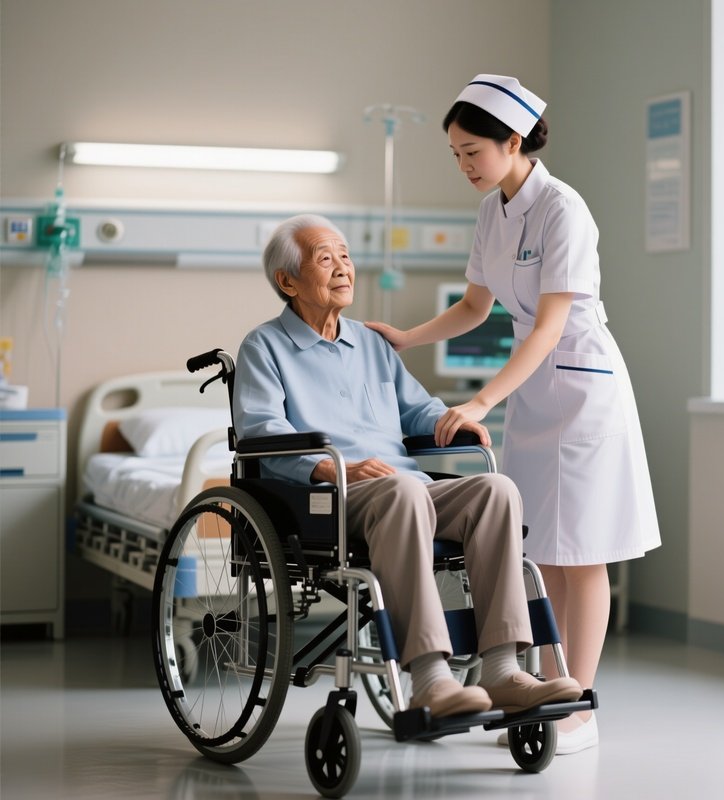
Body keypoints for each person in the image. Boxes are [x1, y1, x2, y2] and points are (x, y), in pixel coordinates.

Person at [366, 74, 661, 753]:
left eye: (473, 151)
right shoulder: (493, 210)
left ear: (514, 140)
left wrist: (479, 400)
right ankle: (551, 694)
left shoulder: (563, 209)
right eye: (456, 154)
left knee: (583, 556)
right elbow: (476, 307)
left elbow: (548, 329)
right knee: (545, 555)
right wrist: (409, 337)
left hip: (583, 393)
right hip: (535, 397)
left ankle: (579, 709)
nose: (465, 165)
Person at [233, 213, 583, 720]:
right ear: (287, 281)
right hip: (329, 500)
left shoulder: (371, 344)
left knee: (496, 490)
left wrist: (451, 419)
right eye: (325, 258)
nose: (343, 268)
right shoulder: (264, 347)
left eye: (346, 256)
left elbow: (415, 408)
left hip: (404, 488)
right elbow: (260, 432)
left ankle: (503, 670)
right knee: (404, 492)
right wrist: (333, 469)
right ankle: (430, 678)